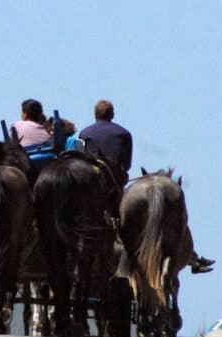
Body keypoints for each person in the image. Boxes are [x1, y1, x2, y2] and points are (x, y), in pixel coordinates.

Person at [81, 99, 215, 274]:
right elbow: (126, 164)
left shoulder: (84, 133)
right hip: (113, 185)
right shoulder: (123, 133)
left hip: (90, 189)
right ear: (112, 114)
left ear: (95, 114)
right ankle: (193, 259)